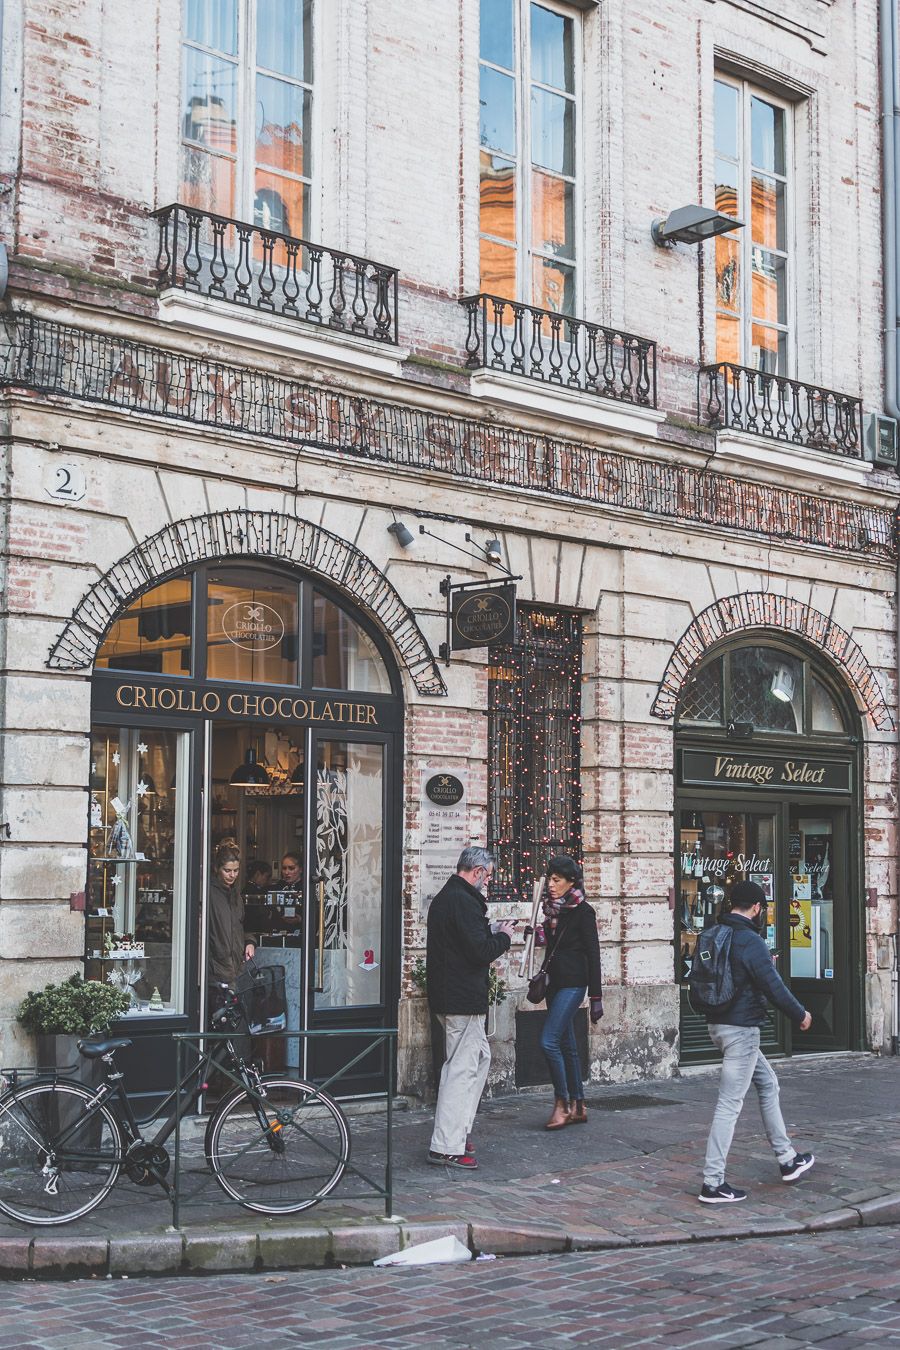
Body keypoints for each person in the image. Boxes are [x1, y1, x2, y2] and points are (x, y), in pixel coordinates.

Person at [699, 879, 815, 1204]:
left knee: (768, 1084)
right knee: (729, 1104)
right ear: (757, 908)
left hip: (717, 1026)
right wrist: (800, 1014)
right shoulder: (750, 941)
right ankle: (712, 1182)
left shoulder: (716, 932)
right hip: (742, 1031)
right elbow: (772, 985)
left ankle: (787, 1159)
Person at [426, 847, 516, 1169]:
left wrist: (490, 930)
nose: (488, 882)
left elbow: (464, 941)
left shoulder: (450, 897)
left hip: (455, 996)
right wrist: (503, 937)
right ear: (477, 871)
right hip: (461, 999)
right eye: (488, 875)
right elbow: (478, 951)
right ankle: (446, 1146)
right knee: (459, 1071)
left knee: (479, 1058)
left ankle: (459, 1130)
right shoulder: (462, 900)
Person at [532, 855, 603, 1130]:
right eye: (549, 879)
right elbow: (553, 947)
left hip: (574, 983)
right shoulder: (551, 910)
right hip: (554, 983)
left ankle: (561, 1103)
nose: (551, 884)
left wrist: (596, 997)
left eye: (556, 880)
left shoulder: (583, 912)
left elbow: (593, 954)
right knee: (567, 1045)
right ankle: (579, 1105)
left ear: (571, 882)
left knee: (548, 1041)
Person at [207, 839, 256, 993]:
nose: (232, 875)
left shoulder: (235, 895)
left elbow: (240, 925)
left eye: (236, 870)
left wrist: (249, 942)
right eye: (227, 870)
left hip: (234, 967)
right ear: (217, 868)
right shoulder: (208, 893)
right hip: (214, 969)